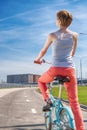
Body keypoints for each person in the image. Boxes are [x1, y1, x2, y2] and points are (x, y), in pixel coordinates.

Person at [34, 9, 85, 130]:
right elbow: (72, 53)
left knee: (41, 81)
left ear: (58, 21)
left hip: (55, 69)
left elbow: (43, 50)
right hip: (70, 70)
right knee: (75, 103)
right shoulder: (75, 35)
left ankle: (48, 101)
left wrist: (38, 59)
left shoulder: (52, 35)